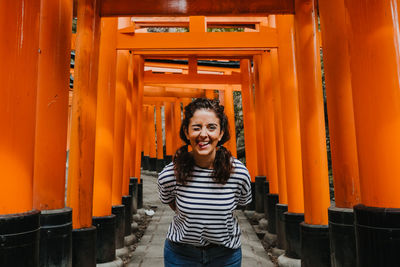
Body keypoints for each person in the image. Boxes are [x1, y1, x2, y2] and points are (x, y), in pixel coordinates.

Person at [157, 98, 252, 267]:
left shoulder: (238, 174)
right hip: (180, 255)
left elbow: (240, 203)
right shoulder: (170, 175)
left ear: (221, 133)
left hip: (225, 255)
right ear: (186, 132)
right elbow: (172, 203)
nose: (203, 134)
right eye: (196, 127)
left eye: (211, 127)